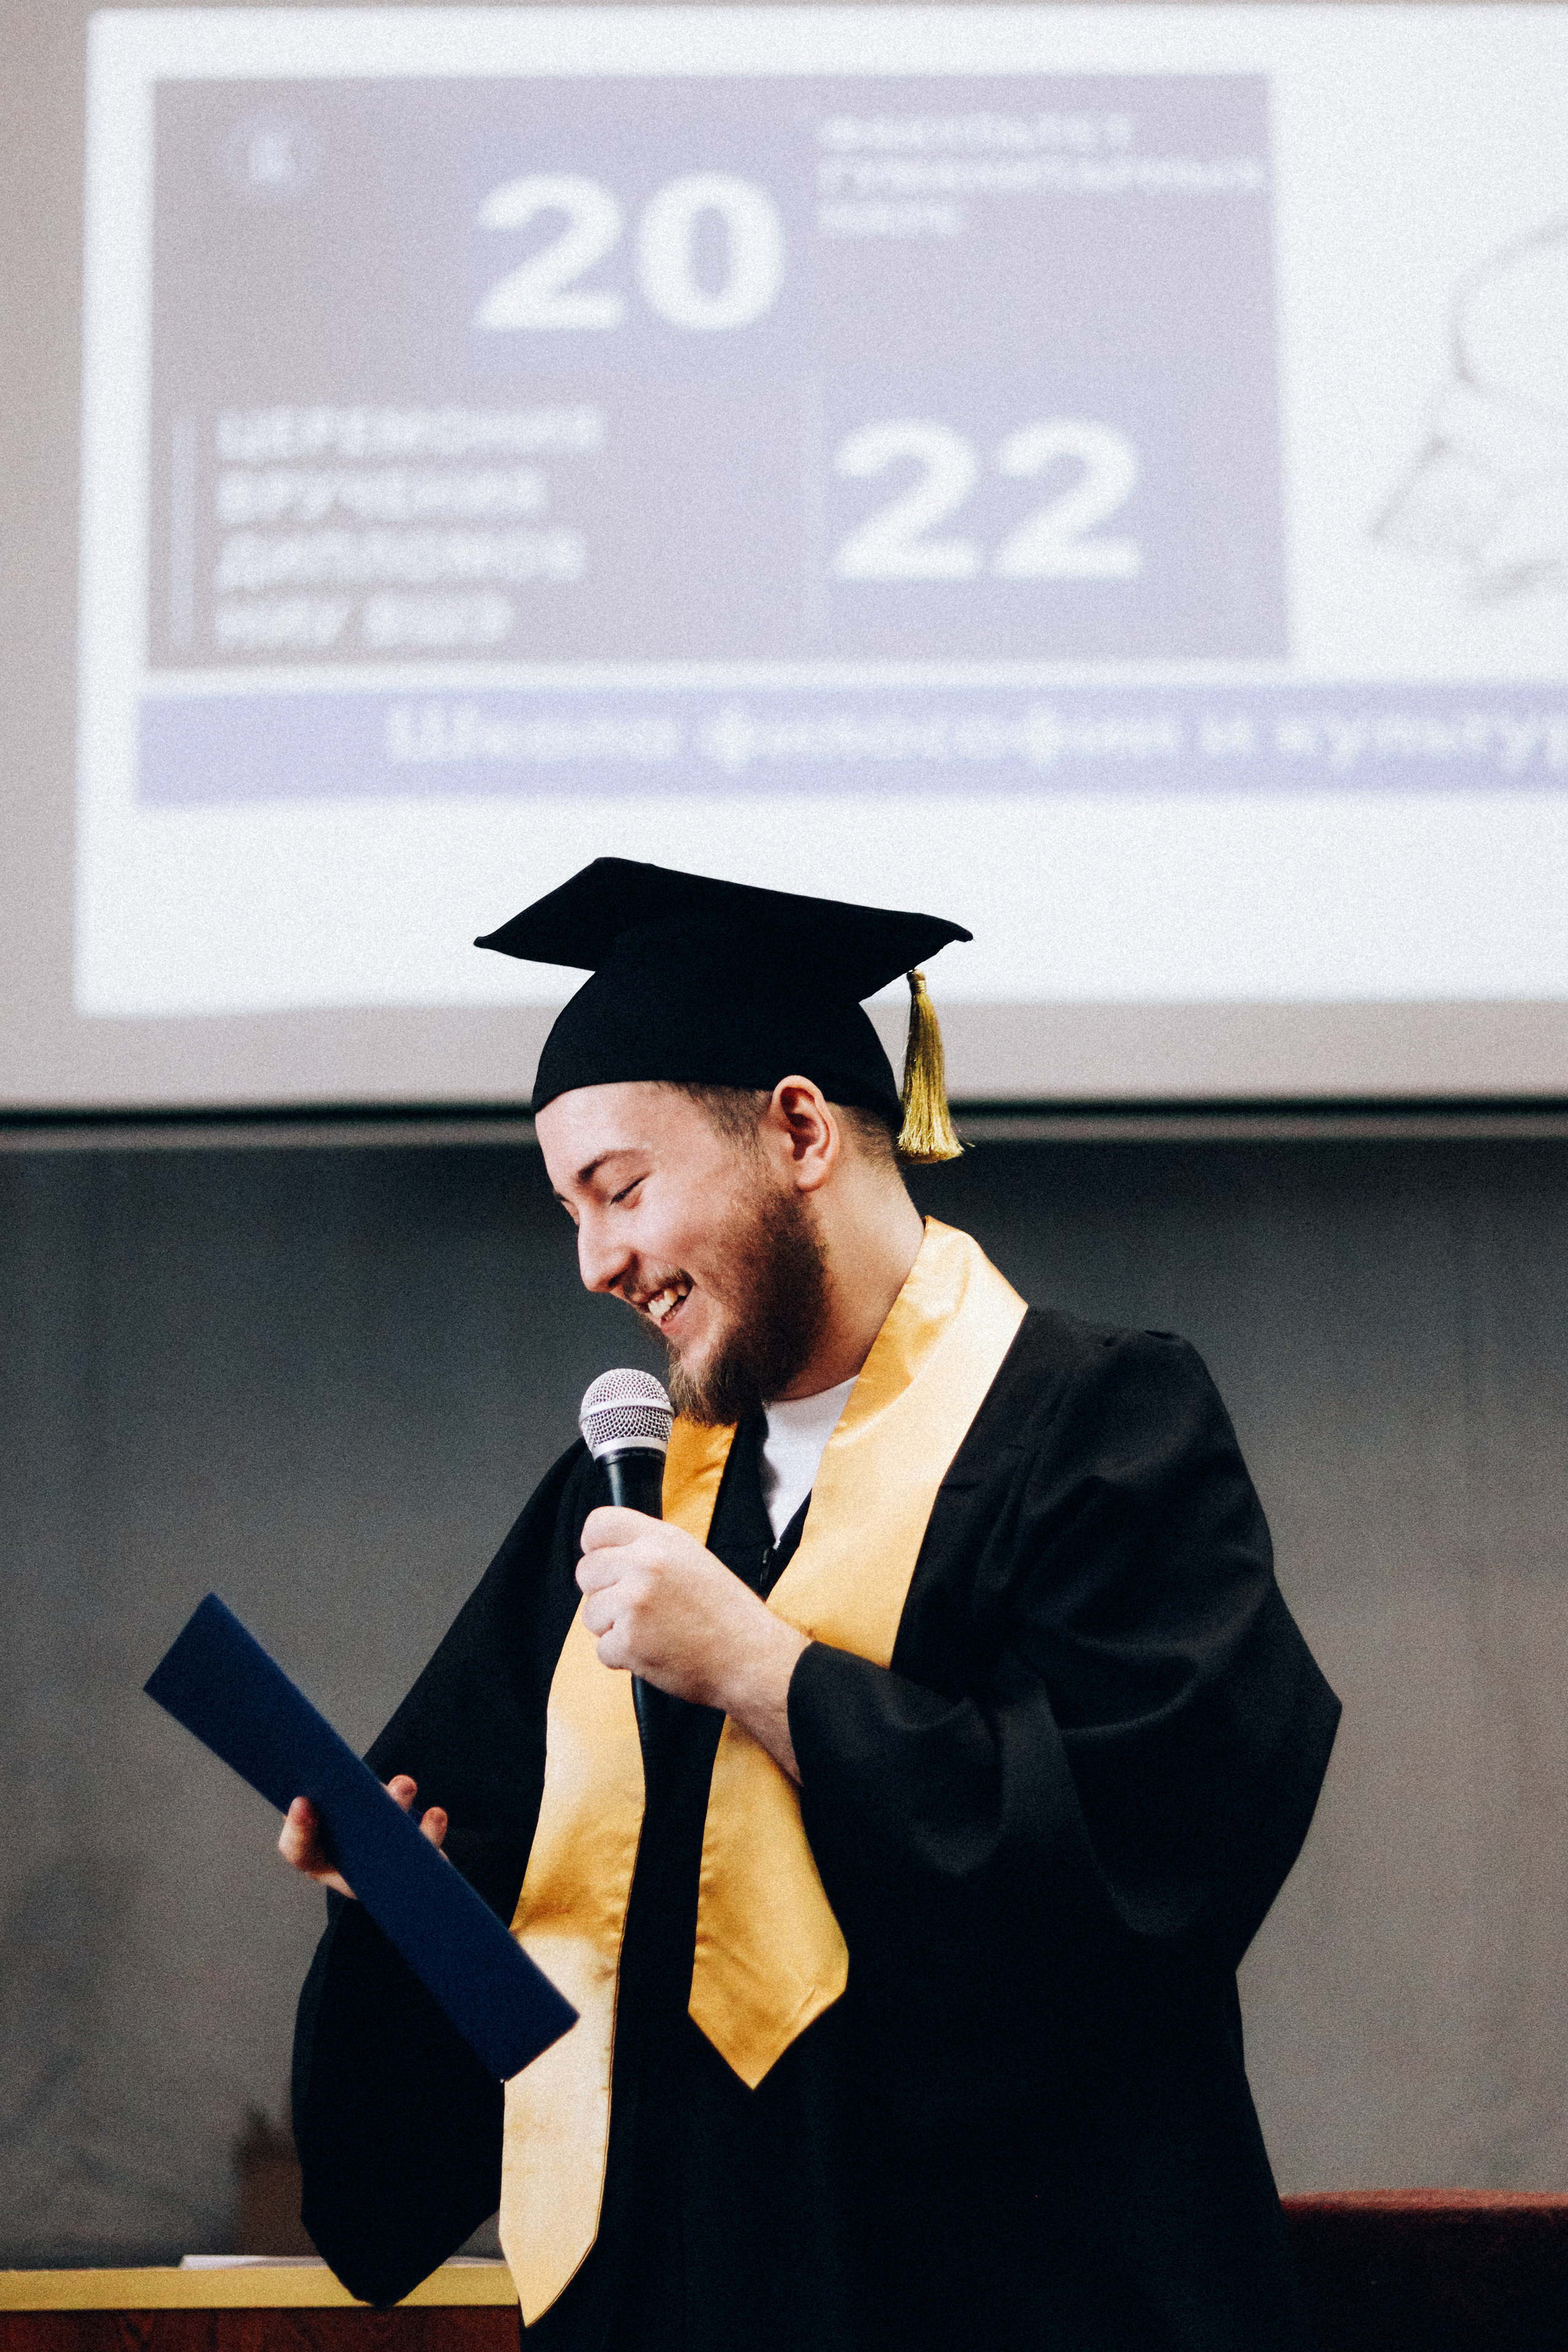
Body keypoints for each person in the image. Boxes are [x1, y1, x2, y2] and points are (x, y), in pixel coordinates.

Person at [282, 859, 1341, 2352]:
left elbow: (1148, 1875)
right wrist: (398, 1901)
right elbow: (537, 1958)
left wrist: (767, 1672)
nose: (596, 1263)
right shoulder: (616, 1500)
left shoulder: (1101, 1428)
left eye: (622, 1189)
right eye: (568, 1211)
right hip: (669, 2300)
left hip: (1005, 2303)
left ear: (793, 1129)